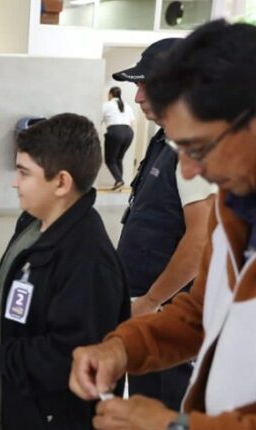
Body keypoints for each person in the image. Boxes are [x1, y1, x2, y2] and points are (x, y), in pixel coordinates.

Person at [69, 20, 256, 430]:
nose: (189, 172)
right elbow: (202, 312)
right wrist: (124, 348)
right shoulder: (236, 208)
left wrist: (176, 426)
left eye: (198, 147)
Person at [0, 113, 130, 429]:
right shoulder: (34, 223)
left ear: (61, 182)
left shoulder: (87, 258)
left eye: (24, 172)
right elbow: (18, 286)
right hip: (13, 406)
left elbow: (67, 354)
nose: (15, 182)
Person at [111, 38, 216, 411]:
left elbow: (201, 238)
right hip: (149, 311)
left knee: (169, 408)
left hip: (171, 317)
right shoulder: (165, 140)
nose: (137, 96)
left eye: (146, 85)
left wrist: (152, 301)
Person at [102, 86, 136, 190]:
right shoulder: (127, 106)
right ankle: (119, 184)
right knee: (118, 158)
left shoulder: (107, 105)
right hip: (129, 133)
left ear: (111, 94)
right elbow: (132, 122)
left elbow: (98, 118)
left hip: (115, 131)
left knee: (110, 160)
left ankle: (119, 180)